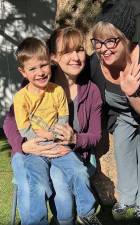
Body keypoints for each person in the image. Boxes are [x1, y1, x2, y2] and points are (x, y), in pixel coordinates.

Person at [3, 27, 103, 225]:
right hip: (31, 147)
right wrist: (23, 145)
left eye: (80, 49)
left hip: (64, 150)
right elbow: (10, 121)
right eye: (67, 51)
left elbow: (95, 135)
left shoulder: (91, 91)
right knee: (29, 181)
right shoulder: (35, 80)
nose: (75, 57)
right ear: (54, 57)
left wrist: (75, 139)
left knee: (61, 182)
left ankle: (69, 219)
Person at [88, 0, 140, 219]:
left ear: (125, 38)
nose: (103, 49)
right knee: (123, 152)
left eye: (111, 41)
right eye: (98, 41)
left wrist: (131, 92)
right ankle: (126, 198)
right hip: (123, 115)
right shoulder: (95, 64)